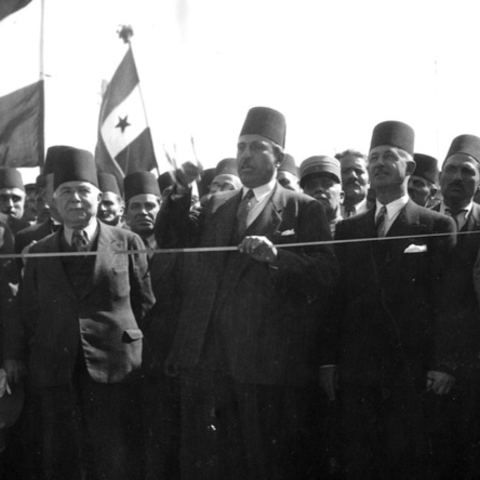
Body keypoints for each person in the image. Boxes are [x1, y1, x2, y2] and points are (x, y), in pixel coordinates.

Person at [156, 106, 339, 479]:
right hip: (209, 360)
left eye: (257, 147)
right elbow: (173, 238)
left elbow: (327, 274)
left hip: (266, 365)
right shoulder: (215, 205)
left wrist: (278, 257)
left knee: (263, 462)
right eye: (241, 147)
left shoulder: (303, 208)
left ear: (278, 156)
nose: (245, 155)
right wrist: (179, 190)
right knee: (212, 463)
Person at [3, 146, 155, 480]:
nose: (75, 198)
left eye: (84, 191)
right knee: (62, 456)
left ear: (99, 198)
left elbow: (146, 305)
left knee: (112, 456)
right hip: (56, 366)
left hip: (115, 367)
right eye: (66, 192)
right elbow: (28, 310)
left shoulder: (127, 241)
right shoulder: (39, 251)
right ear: (54, 202)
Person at [323, 121, 456, 479]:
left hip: (410, 370)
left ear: (409, 168)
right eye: (374, 157)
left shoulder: (436, 225)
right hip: (358, 370)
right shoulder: (350, 230)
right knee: (359, 460)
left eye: (389, 157)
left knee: (405, 460)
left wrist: (443, 363)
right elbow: (337, 301)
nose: (379, 164)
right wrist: (329, 361)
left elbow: (447, 301)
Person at [123, 171, 182, 480]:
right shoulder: (114, 248)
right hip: (124, 360)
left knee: (165, 439)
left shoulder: (176, 249)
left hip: (166, 359)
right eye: (136, 206)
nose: (144, 212)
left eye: (150, 205)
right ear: (124, 210)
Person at [429, 134, 480, 478]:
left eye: (468, 171)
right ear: (439, 177)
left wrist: (455, 364)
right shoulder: (419, 222)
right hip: (425, 368)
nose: (458, 177)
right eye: (451, 170)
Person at [299, 155, 344, 235]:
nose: (318, 189)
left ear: (341, 196)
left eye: (326, 184)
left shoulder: (357, 233)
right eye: (311, 186)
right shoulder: (293, 239)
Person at [335, 149, 370, 217]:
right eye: (345, 171)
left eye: (358, 171)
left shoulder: (380, 214)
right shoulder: (325, 215)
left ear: (369, 177)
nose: (352, 176)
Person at [0, 168, 29, 234]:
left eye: (16, 199)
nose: (10, 205)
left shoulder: (37, 235)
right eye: (2, 198)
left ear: (25, 202)